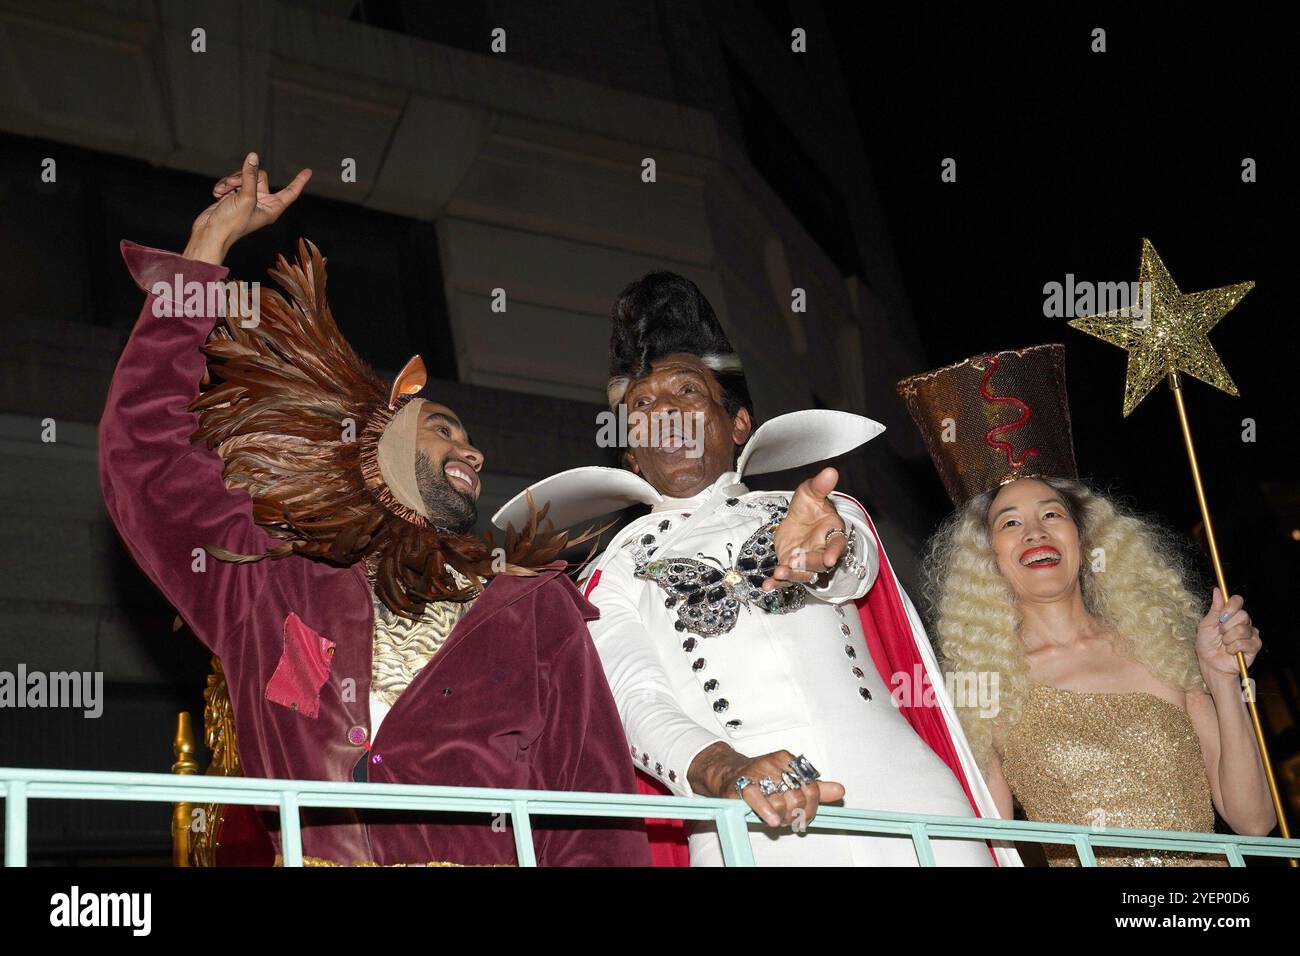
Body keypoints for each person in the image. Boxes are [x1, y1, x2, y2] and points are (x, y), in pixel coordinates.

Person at [99, 152, 649, 866]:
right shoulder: (266, 577)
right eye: (444, 425)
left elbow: (594, 819)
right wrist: (206, 248)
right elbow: (144, 456)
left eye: (474, 441)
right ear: (379, 435)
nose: (473, 452)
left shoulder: (535, 610)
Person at [494, 271, 1020, 866]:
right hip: (745, 819)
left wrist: (826, 553)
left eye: (687, 392)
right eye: (641, 404)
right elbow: (633, 698)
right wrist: (725, 770)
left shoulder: (815, 508)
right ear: (630, 448)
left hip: (912, 805)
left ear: (737, 423)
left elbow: (854, 565)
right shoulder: (611, 573)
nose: (664, 409)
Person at [897, 343, 1275, 865]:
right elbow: (991, 851)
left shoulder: (1162, 650)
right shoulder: (983, 690)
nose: (1034, 532)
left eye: (1051, 514)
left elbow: (1253, 822)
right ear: (987, 558)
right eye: (1010, 522)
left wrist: (1222, 678)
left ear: (1083, 536)